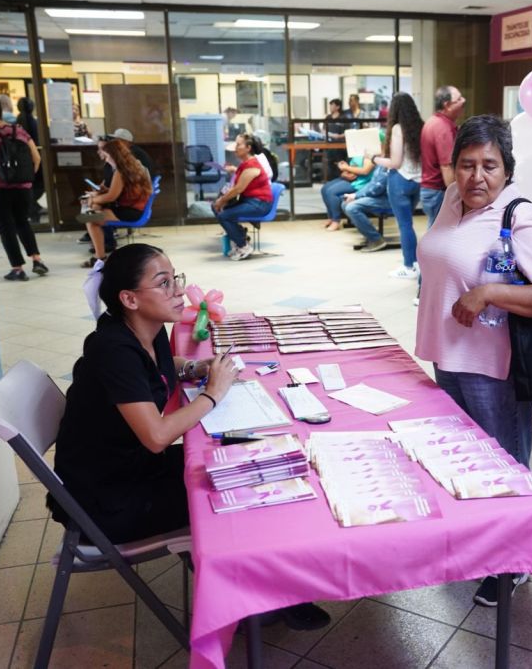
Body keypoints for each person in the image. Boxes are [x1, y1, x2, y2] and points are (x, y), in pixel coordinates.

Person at [53, 244, 330, 631]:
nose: (178, 291)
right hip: (109, 500)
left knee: (252, 458)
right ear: (129, 298)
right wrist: (212, 393)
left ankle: (269, 584)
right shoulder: (113, 350)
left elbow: (161, 368)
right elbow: (156, 436)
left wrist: (195, 367)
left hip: (129, 469)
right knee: (243, 486)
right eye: (163, 283)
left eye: (176, 279)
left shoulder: (140, 332)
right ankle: (254, 597)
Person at [415, 115, 532, 606]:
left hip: (492, 366)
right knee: (464, 461)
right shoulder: (451, 200)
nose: (476, 177)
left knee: (505, 465)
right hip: (448, 355)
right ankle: (482, 546)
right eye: (466, 164)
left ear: (507, 169)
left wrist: (487, 292)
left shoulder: (518, 215)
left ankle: (515, 563)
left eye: (489, 166)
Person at [0, 95, 48, 281]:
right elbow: (36, 158)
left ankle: (17, 268)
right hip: (21, 186)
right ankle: (37, 260)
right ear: (1, 110)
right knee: (22, 221)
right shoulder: (18, 130)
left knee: (6, 227)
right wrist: (25, 178)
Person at [371, 92, 423, 279]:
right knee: (409, 225)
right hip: (417, 182)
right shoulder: (420, 126)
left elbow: (394, 162)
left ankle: (408, 266)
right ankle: (416, 264)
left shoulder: (398, 129)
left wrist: (374, 158)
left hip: (399, 181)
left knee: (405, 225)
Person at [77, 138, 152, 267]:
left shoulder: (120, 172)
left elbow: (111, 197)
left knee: (88, 218)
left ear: (114, 156)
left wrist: (93, 199)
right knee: (93, 211)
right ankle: (100, 255)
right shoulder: (131, 166)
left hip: (130, 212)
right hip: (135, 209)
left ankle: (100, 258)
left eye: (107, 156)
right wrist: (102, 193)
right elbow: (119, 191)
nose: (105, 160)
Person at [213, 132, 273, 261]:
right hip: (250, 201)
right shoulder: (245, 164)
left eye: (239, 144)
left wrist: (222, 201)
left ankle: (243, 245)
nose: (235, 147)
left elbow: (238, 189)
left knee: (224, 215)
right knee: (217, 208)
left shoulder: (252, 165)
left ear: (248, 148)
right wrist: (220, 202)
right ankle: (241, 236)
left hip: (259, 204)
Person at [420, 85, 465, 227]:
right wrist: (456, 196)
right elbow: (446, 166)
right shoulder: (443, 128)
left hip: (430, 190)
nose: (463, 101)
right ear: (447, 105)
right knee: (438, 233)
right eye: (459, 99)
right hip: (437, 192)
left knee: (434, 230)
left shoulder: (433, 121)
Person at [342, 164, 389, 252]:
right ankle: (369, 235)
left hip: (389, 200)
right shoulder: (380, 163)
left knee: (351, 208)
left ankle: (376, 240)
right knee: (346, 203)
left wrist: (357, 195)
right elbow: (372, 184)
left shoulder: (387, 164)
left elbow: (377, 188)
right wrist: (355, 195)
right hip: (379, 196)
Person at [320, 154, 374, 231]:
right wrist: (345, 169)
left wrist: (346, 167)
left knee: (331, 192)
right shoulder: (357, 151)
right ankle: (331, 218)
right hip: (352, 179)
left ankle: (336, 220)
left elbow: (365, 171)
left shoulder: (370, 153)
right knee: (324, 189)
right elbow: (354, 166)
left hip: (362, 183)